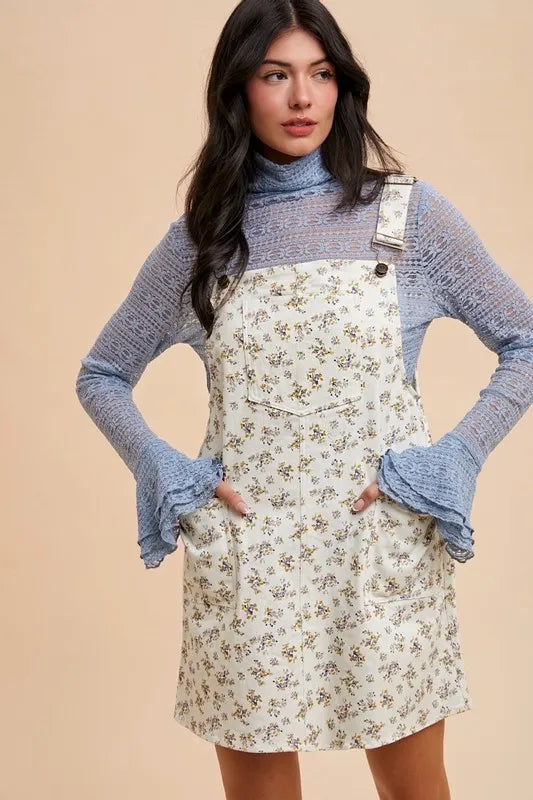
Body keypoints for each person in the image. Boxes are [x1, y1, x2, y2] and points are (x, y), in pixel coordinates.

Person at [75, 1, 533, 798]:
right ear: (237, 90)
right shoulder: (202, 239)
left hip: (381, 550)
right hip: (251, 562)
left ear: (341, 87)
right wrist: (167, 471)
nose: (301, 98)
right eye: (275, 74)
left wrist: (454, 458)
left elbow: (523, 339)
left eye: (320, 75)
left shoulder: (406, 217)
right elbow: (102, 373)